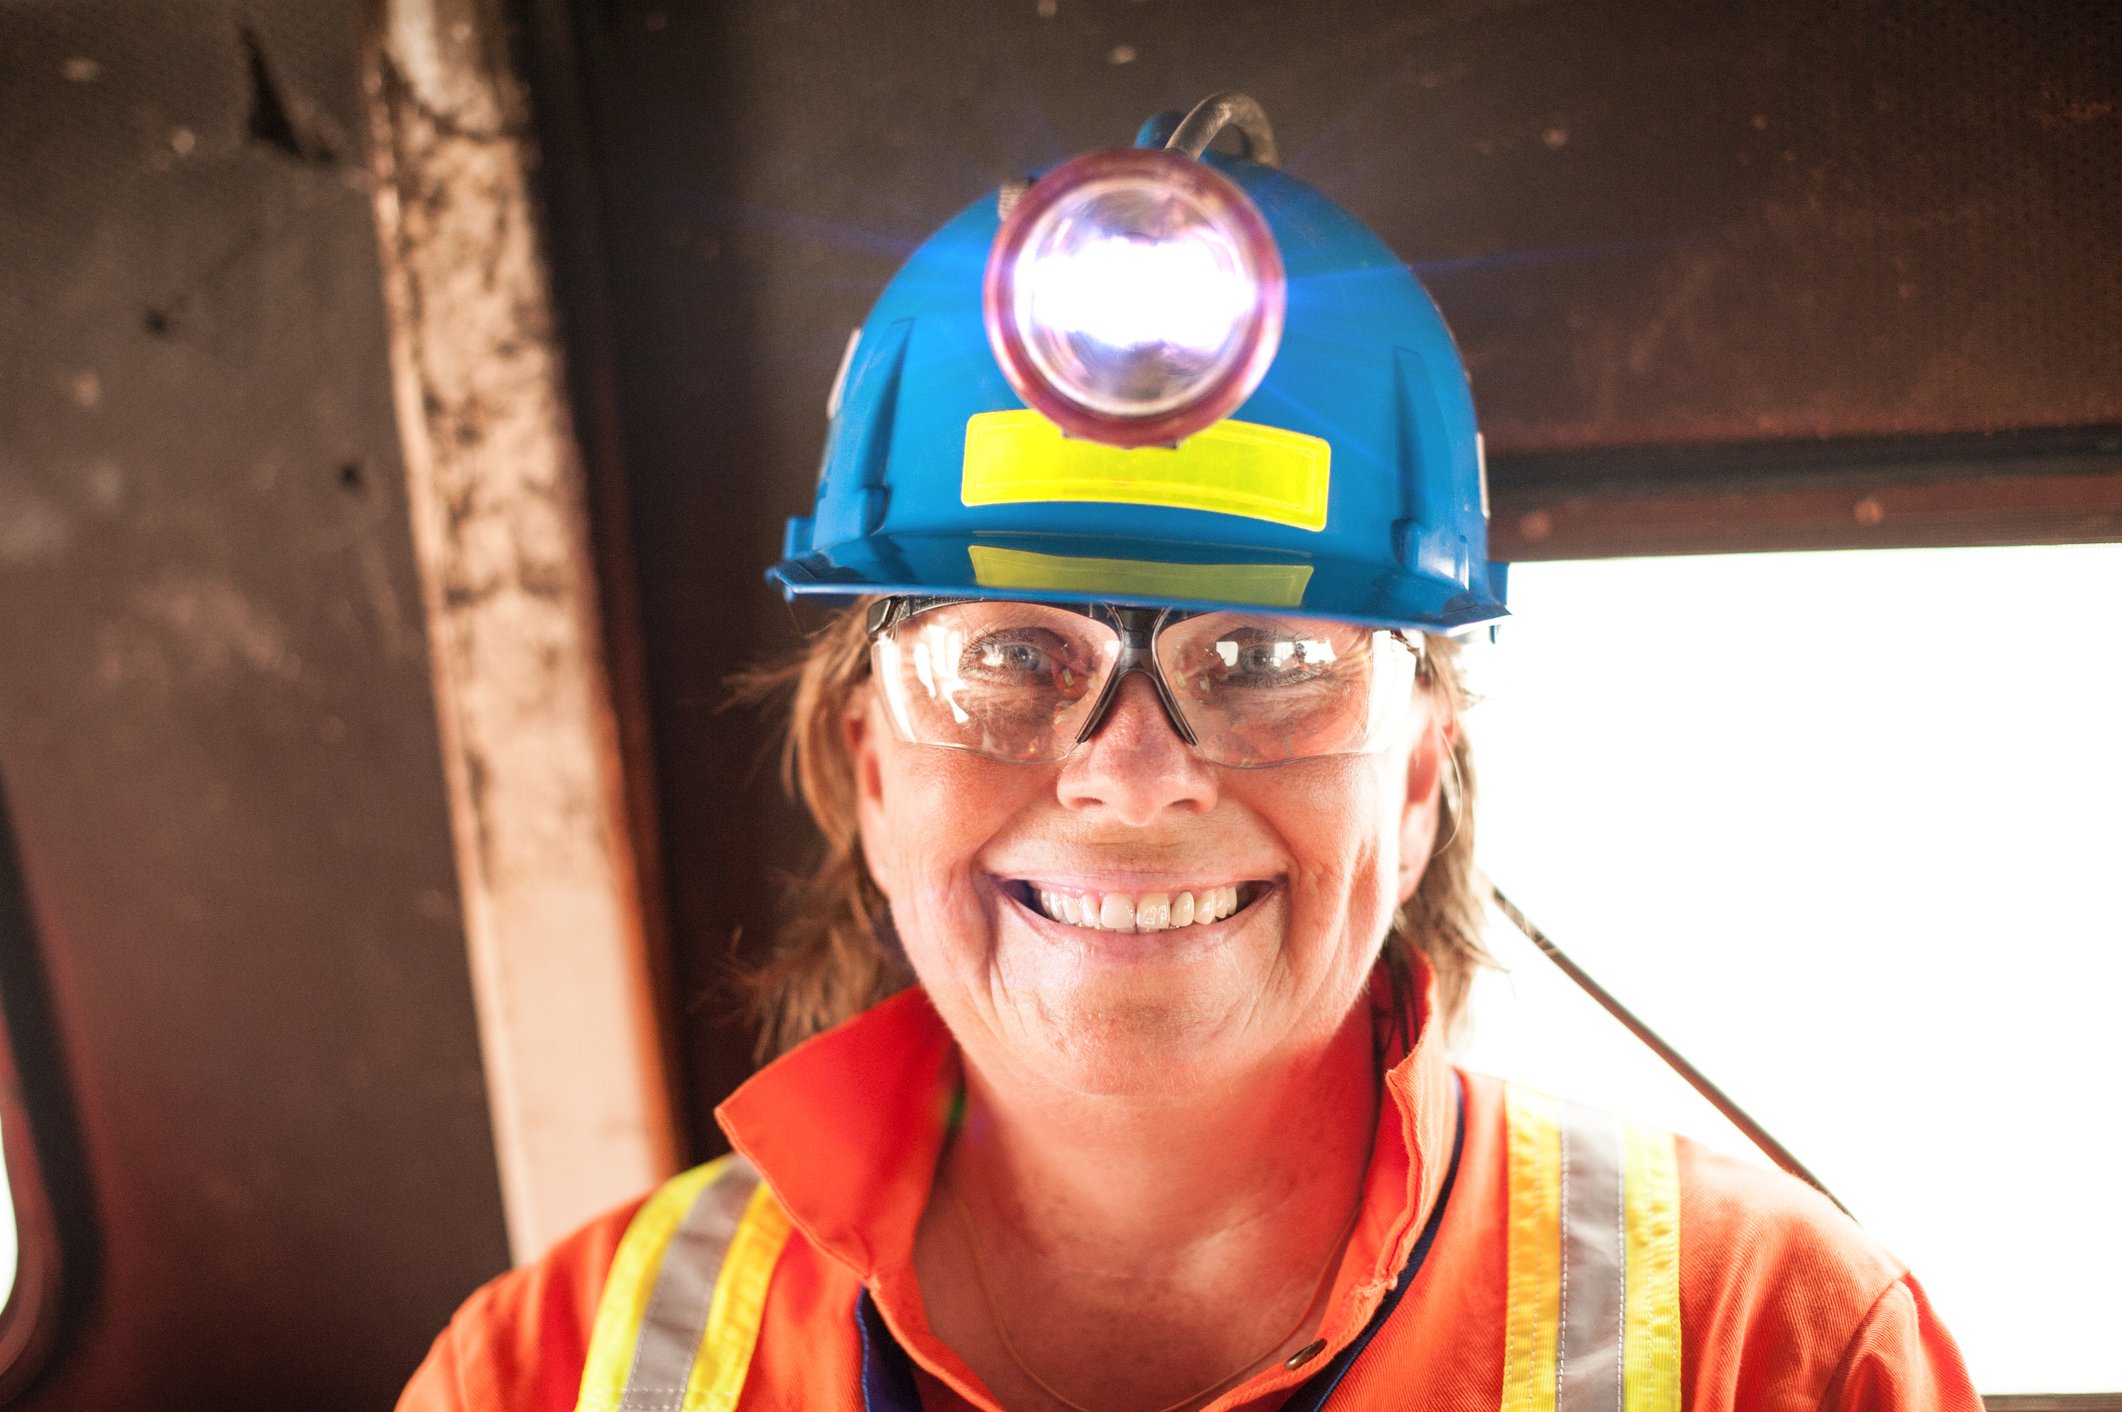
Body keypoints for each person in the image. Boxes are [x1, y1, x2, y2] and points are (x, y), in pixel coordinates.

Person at [398, 97, 1981, 1412]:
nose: (1132, 775)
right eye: (1011, 657)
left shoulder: (1774, 1351)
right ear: (870, 766)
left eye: (1271, 661)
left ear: (1414, 783)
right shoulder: (544, 1373)